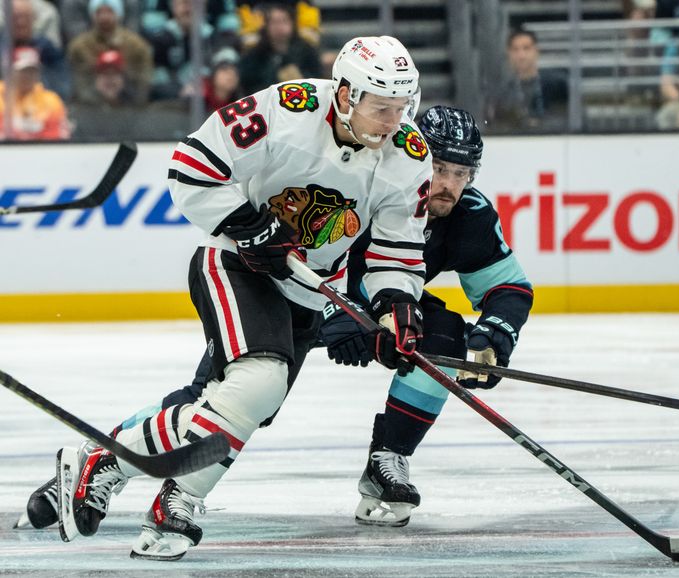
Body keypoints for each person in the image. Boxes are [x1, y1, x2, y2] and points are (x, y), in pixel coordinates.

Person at [34, 35, 430, 562]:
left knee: (246, 405)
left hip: (310, 289)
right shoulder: (289, 109)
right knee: (258, 381)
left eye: (403, 108)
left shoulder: (408, 154)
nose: (394, 121)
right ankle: (175, 494)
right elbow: (191, 166)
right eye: (383, 108)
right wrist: (250, 226)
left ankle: (114, 465)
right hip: (235, 263)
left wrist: (397, 307)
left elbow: (396, 251)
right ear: (344, 96)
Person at [321, 106, 533, 526]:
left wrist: (494, 335)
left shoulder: (469, 214)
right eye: (439, 168)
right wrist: (334, 306)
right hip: (304, 298)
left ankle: (388, 458)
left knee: (445, 338)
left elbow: (507, 289)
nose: (449, 185)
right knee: (253, 382)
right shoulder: (362, 185)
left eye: (461, 172)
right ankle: (183, 436)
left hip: (386, 306)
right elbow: (302, 252)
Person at [67, 0, 153, 105]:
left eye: (110, 11)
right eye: (99, 12)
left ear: (119, 14)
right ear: (92, 15)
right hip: (91, 109)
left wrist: (125, 93)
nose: (104, 17)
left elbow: (143, 84)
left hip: (129, 108)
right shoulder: (79, 47)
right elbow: (78, 84)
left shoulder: (138, 47)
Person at [485, 29, 568, 132]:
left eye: (526, 48)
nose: (521, 55)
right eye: (515, 49)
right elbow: (493, 126)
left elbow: (568, 119)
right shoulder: (501, 93)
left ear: (536, 51)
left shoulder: (557, 86)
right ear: (509, 54)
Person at [238, 3, 321, 95]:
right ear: (266, 25)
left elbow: (318, 80)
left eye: (284, 21)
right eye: (274, 22)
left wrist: (300, 79)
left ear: (292, 23)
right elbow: (247, 86)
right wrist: (274, 77)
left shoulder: (307, 50)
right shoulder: (255, 53)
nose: (279, 27)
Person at [0, 47, 71, 140]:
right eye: (22, 71)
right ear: (11, 71)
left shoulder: (51, 100)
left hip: (40, 152)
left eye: (32, 71)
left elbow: (57, 135)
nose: (27, 76)